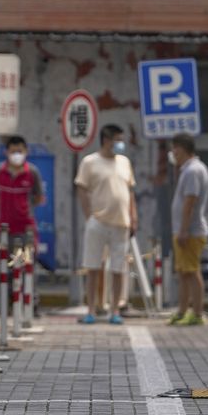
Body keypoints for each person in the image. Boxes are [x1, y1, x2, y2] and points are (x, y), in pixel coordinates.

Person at [74, 124, 137, 325]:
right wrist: (89, 215)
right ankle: (91, 310)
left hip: (121, 222)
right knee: (93, 267)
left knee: (118, 269)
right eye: (117, 139)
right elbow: (82, 189)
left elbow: (130, 191)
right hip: (98, 222)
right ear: (106, 140)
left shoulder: (125, 162)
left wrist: (133, 217)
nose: (120, 144)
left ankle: (115, 311)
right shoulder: (90, 162)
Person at [168, 133, 208, 326]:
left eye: (174, 148)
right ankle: (182, 311)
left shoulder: (193, 170)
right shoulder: (189, 169)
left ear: (181, 149)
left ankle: (198, 313)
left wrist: (184, 230)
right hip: (185, 230)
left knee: (192, 272)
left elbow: (190, 201)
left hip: (190, 231)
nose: (172, 152)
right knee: (184, 273)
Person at [0, 135, 44, 241]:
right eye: (13, 151)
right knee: (0, 256)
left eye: (20, 151)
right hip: (1, 226)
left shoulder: (32, 172)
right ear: (6, 152)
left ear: (26, 151)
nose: (16, 155)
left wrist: (25, 207)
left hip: (25, 227)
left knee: (27, 257)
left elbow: (40, 198)